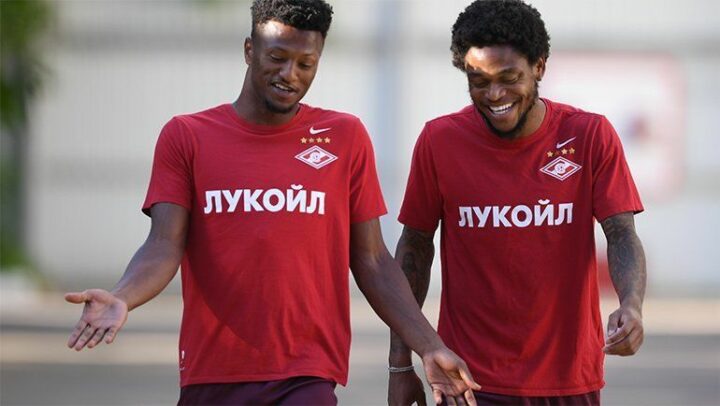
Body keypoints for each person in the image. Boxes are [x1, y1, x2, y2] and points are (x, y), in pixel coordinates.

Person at [64, 0, 481, 405]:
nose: (290, 74)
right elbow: (162, 245)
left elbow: (372, 260)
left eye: (306, 64)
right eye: (277, 58)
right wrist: (122, 296)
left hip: (306, 374)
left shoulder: (345, 137)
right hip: (213, 372)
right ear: (250, 50)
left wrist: (429, 346)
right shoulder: (187, 136)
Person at [388, 1, 646, 405]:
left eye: (509, 78)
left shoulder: (589, 135)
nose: (495, 95)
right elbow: (414, 251)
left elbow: (621, 232)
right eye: (478, 81)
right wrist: (400, 364)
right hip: (467, 381)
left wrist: (631, 305)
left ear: (539, 66)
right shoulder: (439, 141)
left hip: (568, 380)